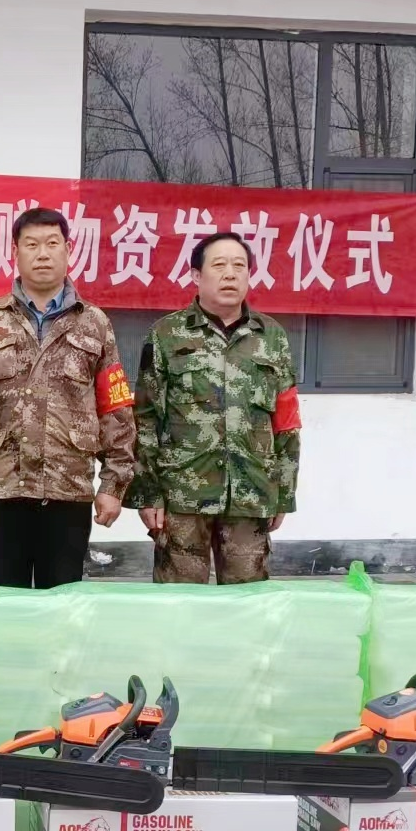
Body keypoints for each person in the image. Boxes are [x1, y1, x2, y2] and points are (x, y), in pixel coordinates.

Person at [0, 206, 135, 588]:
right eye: (31, 245)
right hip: (1, 489)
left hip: (68, 488)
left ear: (69, 249)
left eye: (52, 243)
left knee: (60, 602)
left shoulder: (94, 323)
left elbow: (115, 409)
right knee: (4, 599)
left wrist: (114, 485)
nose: (42, 254)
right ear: (15, 251)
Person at [130, 232, 300, 584]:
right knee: (180, 604)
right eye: (219, 265)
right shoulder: (166, 334)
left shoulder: (272, 337)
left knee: (247, 604)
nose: (230, 274)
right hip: (182, 496)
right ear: (196, 275)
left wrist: (283, 494)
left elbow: (286, 422)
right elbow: (145, 420)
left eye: (239, 266)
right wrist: (147, 493)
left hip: (251, 493)